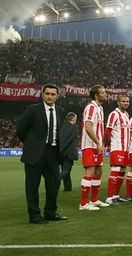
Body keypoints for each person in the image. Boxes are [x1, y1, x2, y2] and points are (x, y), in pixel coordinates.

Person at [17, 84, 67, 224]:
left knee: (54, 184)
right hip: (35, 153)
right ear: (42, 94)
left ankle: (50, 212)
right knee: (32, 186)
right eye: (47, 93)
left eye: (53, 94)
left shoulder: (60, 111)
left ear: (57, 96)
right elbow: (21, 130)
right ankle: (34, 215)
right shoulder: (33, 110)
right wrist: (32, 144)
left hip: (52, 152)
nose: (50, 96)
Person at [80, 85, 109, 211]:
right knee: (90, 171)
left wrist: (101, 144)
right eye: (102, 92)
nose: (105, 93)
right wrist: (98, 143)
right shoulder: (91, 107)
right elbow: (88, 126)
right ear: (96, 95)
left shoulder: (100, 108)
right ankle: (83, 204)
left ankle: (94, 199)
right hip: (90, 145)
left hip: (98, 146)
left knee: (99, 171)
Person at [104, 95, 130, 204]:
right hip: (117, 147)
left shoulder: (126, 114)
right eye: (123, 101)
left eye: (127, 101)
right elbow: (107, 131)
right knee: (115, 170)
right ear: (118, 103)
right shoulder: (114, 114)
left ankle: (116, 195)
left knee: (122, 171)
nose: (126, 103)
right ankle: (109, 198)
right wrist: (109, 144)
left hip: (125, 148)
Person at [59, 112, 79, 192]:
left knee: (65, 169)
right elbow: (71, 141)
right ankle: (56, 179)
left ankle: (68, 187)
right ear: (73, 119)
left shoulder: (62, 126)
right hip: (69, 152)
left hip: (61, 152)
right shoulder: (74, 128)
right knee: (67, 170)